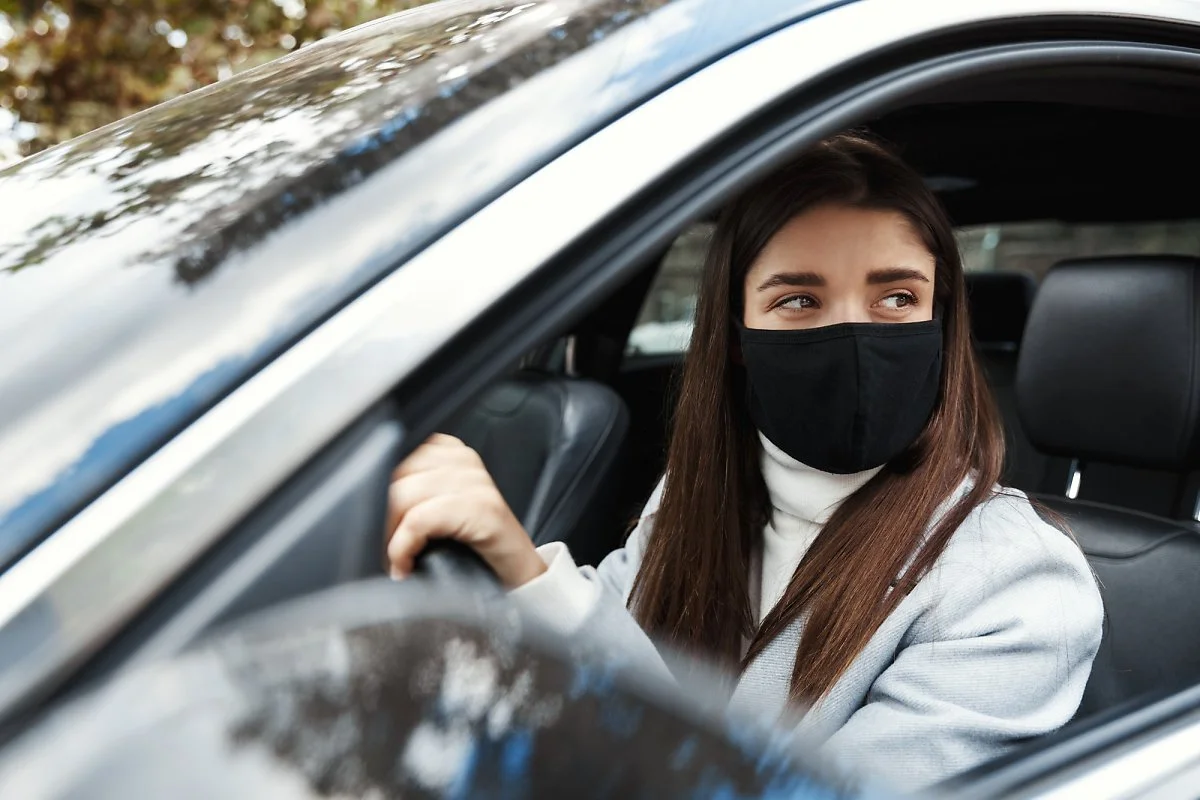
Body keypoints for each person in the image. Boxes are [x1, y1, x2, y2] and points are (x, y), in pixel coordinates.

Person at [384, 133, 1103, 790]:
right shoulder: (701, 496)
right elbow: (611, 663)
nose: (853, 336)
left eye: (896, 297)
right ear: (735, 336)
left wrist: (532, 575)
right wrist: (501, 578)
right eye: (798, 299)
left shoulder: (1017, 581)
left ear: (940, 323)